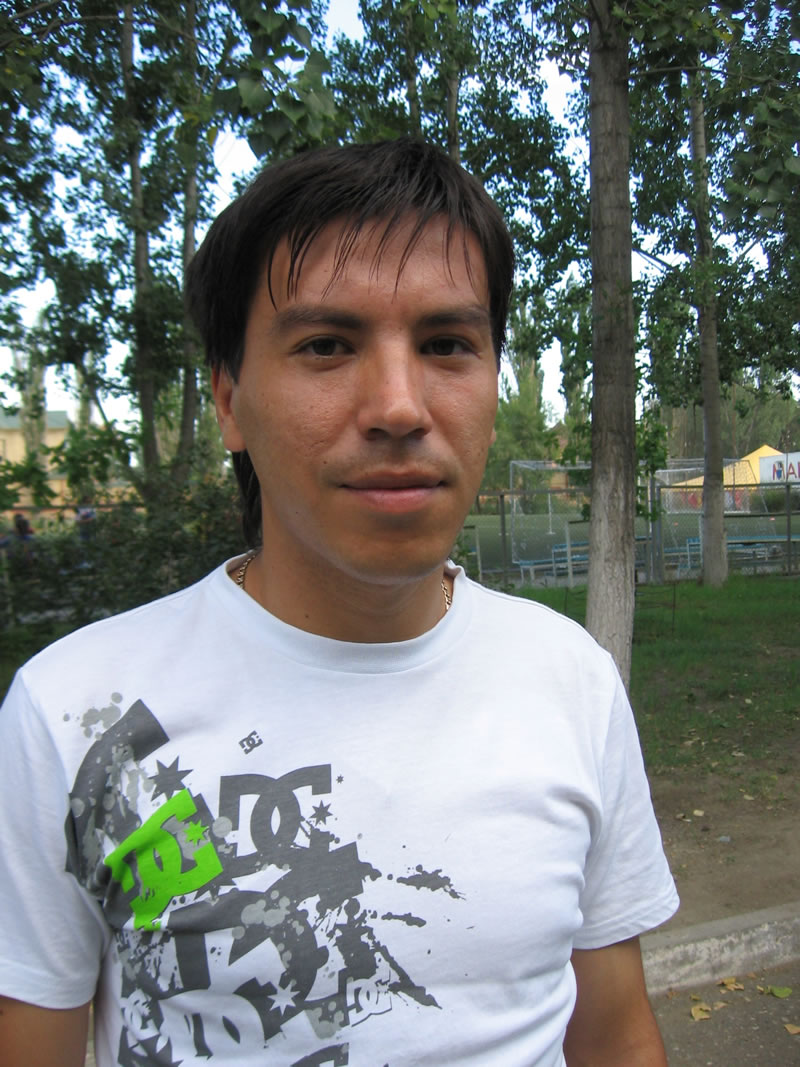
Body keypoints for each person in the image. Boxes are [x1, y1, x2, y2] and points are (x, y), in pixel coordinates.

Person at [0, 139, 678, 1066]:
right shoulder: (77, 717)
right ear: (229, 400)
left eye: (446, 344)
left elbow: (616, 1032)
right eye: (327, 345)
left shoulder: (573, 683)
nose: (399, 406)